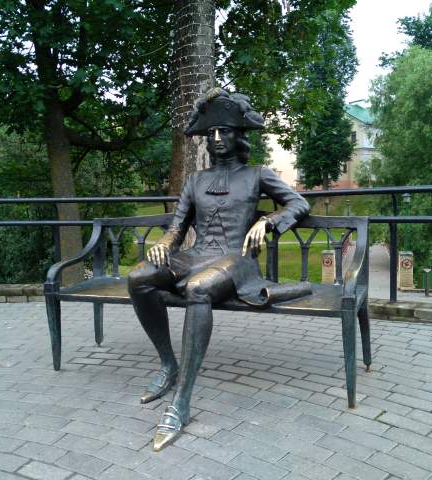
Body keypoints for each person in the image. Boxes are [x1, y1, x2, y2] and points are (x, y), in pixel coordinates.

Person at [127, 88, 310, 451]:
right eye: (210, 132)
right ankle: (168, 364)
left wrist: (269, 221)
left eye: (223, 131)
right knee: (139, 278)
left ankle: (181, 402)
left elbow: (298, 203)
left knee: (198, 288)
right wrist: (165, 244)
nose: (216, 138)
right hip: (197, 254)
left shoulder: (258, 174)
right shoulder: (195, 181)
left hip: (236, 260)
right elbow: (177, 228)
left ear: (238, 135)